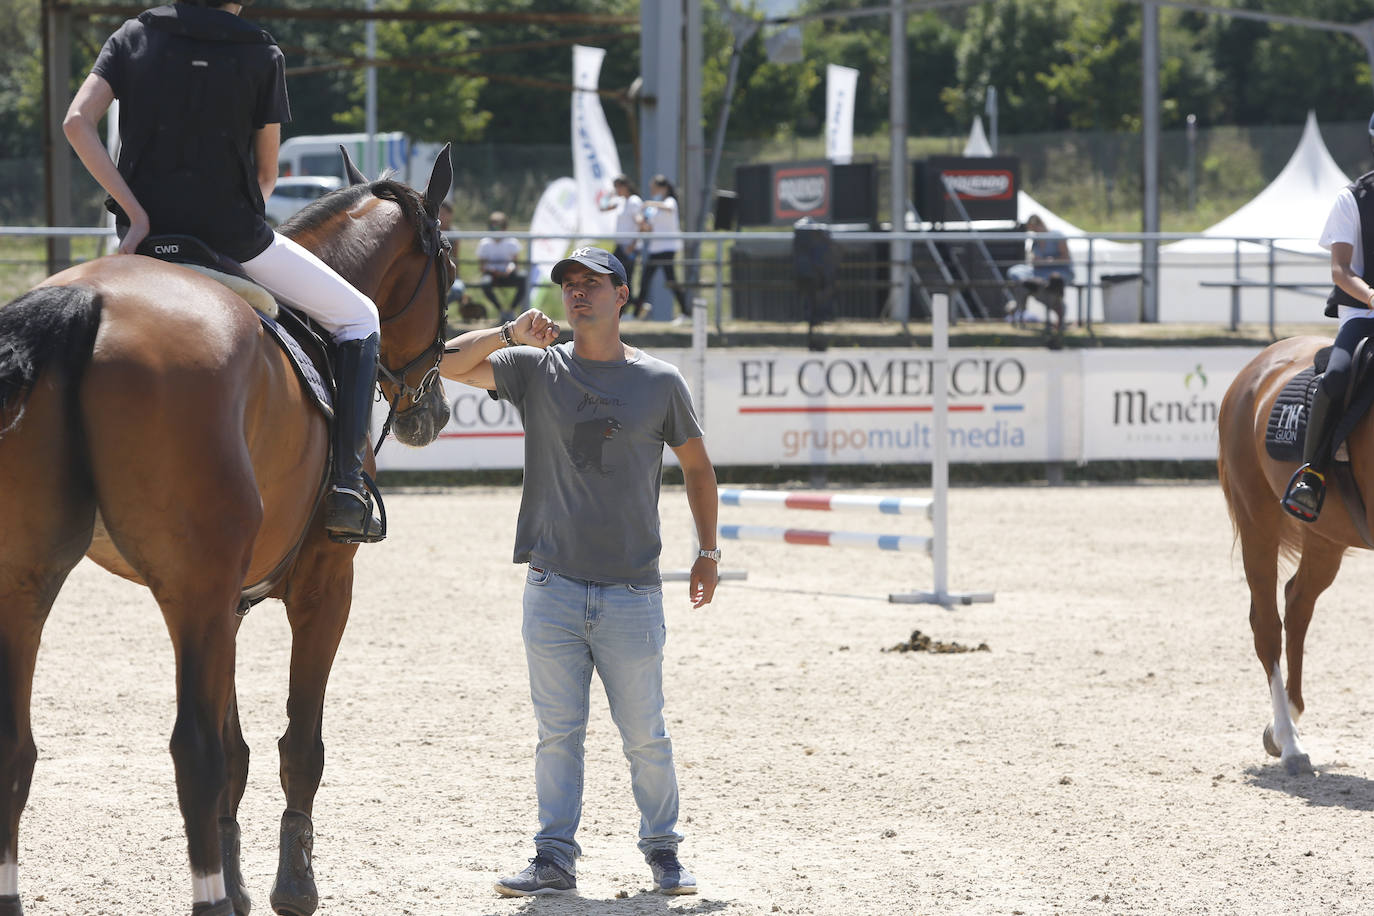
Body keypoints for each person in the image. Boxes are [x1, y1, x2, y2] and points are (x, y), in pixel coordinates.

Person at [438, 245, 719, 898]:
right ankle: (553, 858)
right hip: (552, 586)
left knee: (645, 735)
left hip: (632, 591)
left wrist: (708, 551)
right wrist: (508, 332)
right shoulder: (537, 370)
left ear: (623, 295)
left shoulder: (659, 382)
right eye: (569, 284)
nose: (577, 293)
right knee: (557, 735)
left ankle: (664, 852)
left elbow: (699, 469)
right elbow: (443, 363)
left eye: (593, 283)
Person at [62, 0, 384, 544]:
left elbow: (76, 123)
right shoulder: (260, 50)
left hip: (143, 240)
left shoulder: (133, 35)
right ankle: (348, 486)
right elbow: (265, 173)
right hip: (233, 239)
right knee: (359, 316)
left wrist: (135, 213)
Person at [1282, 113, 1374, 521]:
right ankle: (1312, 474)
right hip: (1363, 313)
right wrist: (1373, 297)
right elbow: (1341, 270)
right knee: (1337, 375)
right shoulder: (1352, 199)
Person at [631, 175, 689, 321]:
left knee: (671, 281)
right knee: (645, 281)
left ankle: (686, 313)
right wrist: (641, 223)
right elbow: (649, 228)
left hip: (668, 248)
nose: (652, 190)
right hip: (655, 249)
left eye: (654, 188)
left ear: (663, 188)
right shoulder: (654, 208)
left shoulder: (669, 201)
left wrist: (650, 203)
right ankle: (636, 314)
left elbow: (669, 208)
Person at [1007, 214, 1070, 335]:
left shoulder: (1057, 236)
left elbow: (1065, 258)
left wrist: (1049, 261)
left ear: (1040, 225)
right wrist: (1036, 261)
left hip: (1056, 272)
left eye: (1035, 229)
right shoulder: (1035, 240)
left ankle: (1019, 306)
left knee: (1052, 282)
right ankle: (1020, 307)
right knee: (1016, 272)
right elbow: (1033, 258)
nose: (1034, 232)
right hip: (1038, 274)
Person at [475, 210, 528, 321]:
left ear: (504, 228)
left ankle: (511, 310)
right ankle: (501, 310)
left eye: (498, 227)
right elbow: (482, 266)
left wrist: (510, 269)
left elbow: (515, 263)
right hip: (492, 276)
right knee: (485, 283)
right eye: (492, 227)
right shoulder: (485, 243)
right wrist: (493, 271)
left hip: (508, 275)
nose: (495, 230)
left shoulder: (512, 242)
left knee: (523, 277)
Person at [600, 174, 643, 311]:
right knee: (614, 275)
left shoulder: (634, 201)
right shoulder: (621, 201)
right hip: (620, 245)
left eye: (618, 187)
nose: (617, 190)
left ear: (626, 186)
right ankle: (635, 305)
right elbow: (603, 207)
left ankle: (631, 307)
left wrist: (634, 244)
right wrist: (610, 194)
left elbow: (639, 223)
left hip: (629, 247)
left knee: (624, 278)